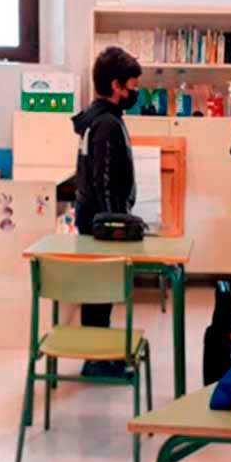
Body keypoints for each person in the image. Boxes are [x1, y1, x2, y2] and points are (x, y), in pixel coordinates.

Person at [72, 46, 142, 377]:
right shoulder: (107, 124)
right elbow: (104, 180)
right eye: (132, 86)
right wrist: (116, 223)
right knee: (100, 293)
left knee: (98, 292)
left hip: (93, 217)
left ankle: (97, 355)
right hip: (103, 222)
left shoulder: (96, 118)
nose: (135, 93)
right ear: (116, 85)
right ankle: (96, 360)